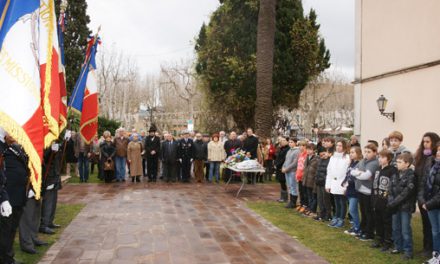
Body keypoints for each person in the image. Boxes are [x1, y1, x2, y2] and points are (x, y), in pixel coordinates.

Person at [0, 134, 29, 264]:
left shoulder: (17, 148)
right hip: (8, 197)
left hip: (19, 195)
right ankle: (6, 258)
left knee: (12, 229)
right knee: (6, 230)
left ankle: (8, 256)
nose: (12, 135)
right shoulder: (3, 150)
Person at [415, 132, 440, 258]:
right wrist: (420, 198)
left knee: (433, 226)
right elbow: (420, 179)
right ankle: (427, 247)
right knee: (425, 224)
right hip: (422, 196)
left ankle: (433, 250)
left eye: (428, 142)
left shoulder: (435, 159)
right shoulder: (420, 157)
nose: (425, 144)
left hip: (433, 199)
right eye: (423, 142)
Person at [388, 153, 416, 260]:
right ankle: (398, 246)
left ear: (407, 164)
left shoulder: (412, 176)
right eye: (397, 162)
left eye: (400, 162)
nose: (397, 164)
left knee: (405, 229)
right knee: (396, 227)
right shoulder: (395, 174)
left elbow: (406, 193)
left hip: (405, 207)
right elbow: (390, 189)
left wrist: (394, 202)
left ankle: (408, 251)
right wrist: (391, 201)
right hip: (395, 206)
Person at [352, 143, 380, 240]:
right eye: (365, 152)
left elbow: (366, 176)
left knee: (369, 212)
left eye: (369, 152)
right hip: (360, 189)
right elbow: (352, 171)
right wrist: (360, 173)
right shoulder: (363, 161)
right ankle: (363, 230)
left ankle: (369, 233)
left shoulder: (374, 163)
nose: (366, 154)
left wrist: (359, 173)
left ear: (375, 153)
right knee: (363, 211)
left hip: (368, 191)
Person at [371, 149, 397, 252]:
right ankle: (379, 238)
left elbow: (393, 186)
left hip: (386, 201)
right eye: (379, 157)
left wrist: (388, 199)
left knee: (386, 221)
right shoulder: (377, 169)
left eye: (382, 157)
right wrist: (373, 198)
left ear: (389, 159)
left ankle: (387, 241)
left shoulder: (392, 170)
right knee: (378, 220)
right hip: (377, 200)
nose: (380, 159)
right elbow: (374, 184)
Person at [39, 142, 63, 234]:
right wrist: (51, 150)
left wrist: (62, 144)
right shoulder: (45, 142)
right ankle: (43, 224)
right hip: (49, 175)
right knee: (48, 200)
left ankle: (50, 221)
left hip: (55, 174)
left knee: (53, 200)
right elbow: (44, 157)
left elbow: (59, 157)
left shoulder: (55, 142)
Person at [326, 139, 350, 228]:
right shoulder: (333, 157)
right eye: (337, 145)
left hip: (342, 183)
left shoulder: (347, 158)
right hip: (334, 183)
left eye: (340, 145)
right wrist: (328, 185)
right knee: (336, 201)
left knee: (342, 202)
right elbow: (329, 171)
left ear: (344, 147)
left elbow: (348, 173)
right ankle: (336, 216)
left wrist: (346, 186)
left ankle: (341, 218)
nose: (338, 147)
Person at [342, 146, 362, 236]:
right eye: (350, 152)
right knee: (351, 210)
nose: (351, 154)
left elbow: (356, 177)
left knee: (352, 209)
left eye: (353, 152)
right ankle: (354, 226)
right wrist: (344, 185)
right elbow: (347, 175)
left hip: (355, 190)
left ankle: (357, 227)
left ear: (358, 153)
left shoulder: (359, 164)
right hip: (349, 189)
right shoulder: (351, 163)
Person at [314, 147, 333, 222]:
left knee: (326, 200)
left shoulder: (330, 161)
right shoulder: (320, 160)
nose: (324, 154)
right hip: (319, 182)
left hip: (325, 183)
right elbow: (318, 170)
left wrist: (324, 179)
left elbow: (328, 172)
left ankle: (328, 215)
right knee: (320, 199)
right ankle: (321, 214)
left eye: (326, 152)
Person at [282, 138, 300, 209]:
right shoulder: (289, 150)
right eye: (289, 142)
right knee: (289, 186)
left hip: (292, 171)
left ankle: (293, 202)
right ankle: (291, 201)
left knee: (293, 186)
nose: (290, 143)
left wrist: (287, 168)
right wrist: (283, 167)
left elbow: (295, 163)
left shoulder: (297, 151)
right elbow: (286, 160)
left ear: (295, 143)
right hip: (287, 171)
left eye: (291, 142)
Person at [302, 143, 319, 216]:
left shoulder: (317, 159)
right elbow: (305, 169)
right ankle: (309, 208)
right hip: (306, 180)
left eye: (310, 149)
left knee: (313, 196)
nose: (308, 151)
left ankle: (313, 210)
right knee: (308, 196)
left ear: (314, 150)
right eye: (307, 149)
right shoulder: (307, 157)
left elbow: (316, 171)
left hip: (312, 181)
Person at [275, 137, 289, 203]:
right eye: (281, 141)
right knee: (281, 182)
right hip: (279, 166)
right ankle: (282, 197)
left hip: (282, 167)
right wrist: (276, 163)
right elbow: (278, 157)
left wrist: (279, 165)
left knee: (283, 182)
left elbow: (284, 159)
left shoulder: (287, 149)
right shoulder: (281, 148)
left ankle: (285, 198)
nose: (282, 142)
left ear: (287, 141)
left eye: (284, 140)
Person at [296, 141, 308, 212]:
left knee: (304, 192)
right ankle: (301, 203)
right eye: (300, 146)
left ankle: (305, 205)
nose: (301, 147)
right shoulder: (300, 154)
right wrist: (297, 175)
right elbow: (298, 166)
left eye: (303, 146)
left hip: (304, 176)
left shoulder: (306, 155)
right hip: (299, 175)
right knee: (300, 191)